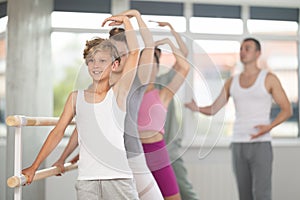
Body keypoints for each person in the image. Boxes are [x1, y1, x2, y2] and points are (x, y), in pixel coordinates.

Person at [22, 14, 141, 200]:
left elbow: (135, 53)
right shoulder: (75, 98)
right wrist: (35, 166)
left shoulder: (119, 92)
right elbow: (57, 132)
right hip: (87, 181)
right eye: (91, 60)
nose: (96, 65)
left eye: (103, 61)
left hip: (119, 179)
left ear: (115, 64)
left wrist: (127, 22)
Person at [52, 10, 164, 200]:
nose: (118, 58)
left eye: (122, 53)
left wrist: (136, 17)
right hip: (104, 166)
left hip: (133, 159)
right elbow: (84, 128)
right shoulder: (93, 88)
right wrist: (64, 158)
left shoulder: (137, 79)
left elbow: (149, 46)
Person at [185, 37, 292, 200]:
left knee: (262, 195)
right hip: (238, 143)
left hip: (261, 144)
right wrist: (197, 108)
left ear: (258, 53)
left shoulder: (269, 78)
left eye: (247, 48)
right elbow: (214, 109)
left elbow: (287, 110)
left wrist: (268, 127)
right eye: (241, 48)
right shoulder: (232, 81)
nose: (243, 52)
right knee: (244, 195)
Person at [137, 36, 190, 200]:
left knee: (173, 197)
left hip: (157, 152)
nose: (149, 69)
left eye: (153, 66)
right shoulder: (128, 95)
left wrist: (169, 42)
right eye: (145, 65)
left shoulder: (163, 94)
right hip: (135, 153)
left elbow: (184, 68)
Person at [153, 21, 199, 200]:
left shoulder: (166, 81)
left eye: (156, 58)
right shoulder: (136, 88)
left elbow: (184, 57)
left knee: (185, 193)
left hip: (169, 150)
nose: (153, 62)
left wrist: (171, 32)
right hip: (147, 152)